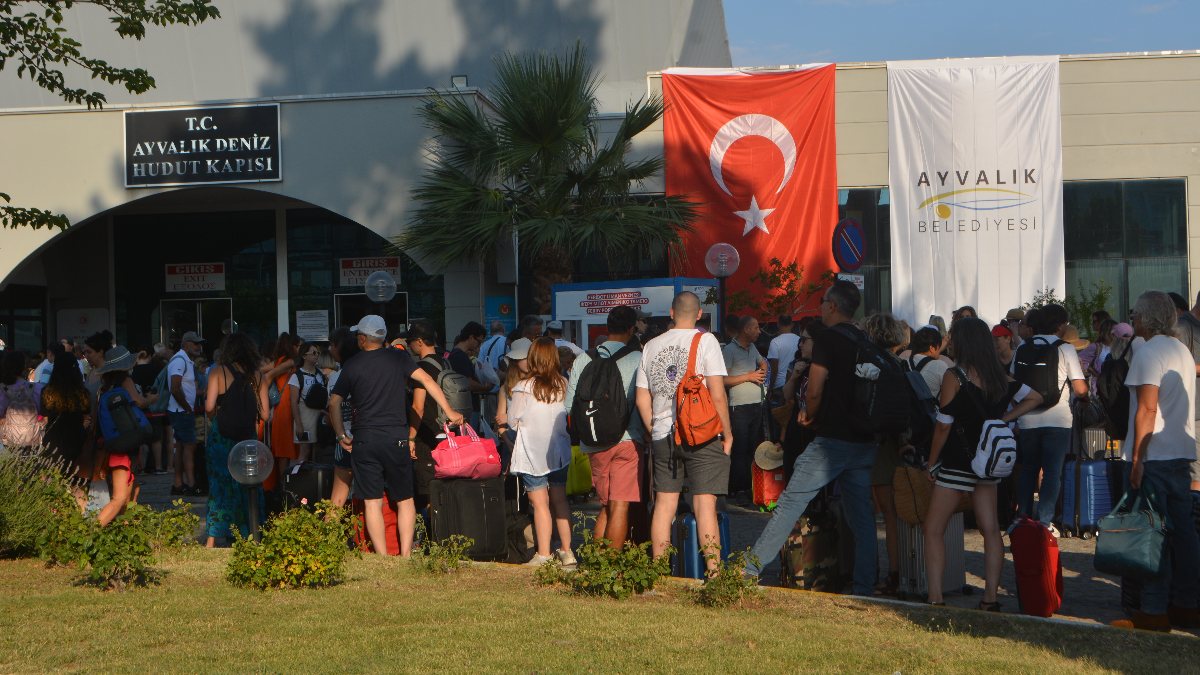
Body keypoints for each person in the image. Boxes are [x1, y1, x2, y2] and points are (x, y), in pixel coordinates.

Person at [743, 281, 879, 595]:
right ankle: (864, 585)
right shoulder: (862, 337)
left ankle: (748, 572)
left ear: (832, 305)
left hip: (832, 440)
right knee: (861, 517)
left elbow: (815, 388)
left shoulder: (828, 338)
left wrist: (810, 414)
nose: (820, 307)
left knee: (789, 503)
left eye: (823, 302)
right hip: (863, 440)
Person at [924, 318, 1043, 609]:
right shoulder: (1000, 377)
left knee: (933, 528)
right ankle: (990, 597)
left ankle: (936, 597)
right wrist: (1003, 419)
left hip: (957, 462)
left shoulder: (955, 376)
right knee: (990, 529)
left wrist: (931, 462)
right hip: (989, 462)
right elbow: (1036, 397)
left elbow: (943, 426)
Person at [327, 315, 464, 557]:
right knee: (405, 499)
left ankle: (381, 556)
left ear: (362, 338)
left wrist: (340, 434)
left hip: (365, 439)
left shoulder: (353, 366)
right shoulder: (399, 358)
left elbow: (334, 402)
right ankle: (406, 555)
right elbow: (428, 381)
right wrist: (450, 410)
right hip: (396, 437)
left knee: (372, 501)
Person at [1111, 291, 1200, 631]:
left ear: (1146, 318)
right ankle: (1186, 604)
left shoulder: (1149, 352)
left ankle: (1152, 609)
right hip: (1180, 452)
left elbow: (1147, 409)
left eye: (1135, 314)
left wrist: (1136, 459)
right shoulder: (1180, 349)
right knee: (1184, 535)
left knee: (1152, 535)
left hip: (1155, 455)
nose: (1132, 320)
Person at [636, 291, 732, 574]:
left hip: (663, 434)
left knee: (665, 504)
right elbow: (717, 393)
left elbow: (642, 398)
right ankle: (714, 573)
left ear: (671, 312)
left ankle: (659, 572)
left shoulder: (650, 346)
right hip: (700, 434)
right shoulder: (706, 340)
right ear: (699, 314)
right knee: (705, 504)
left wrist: (654, 427)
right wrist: (727, 433)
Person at [565, 305, 646, 549]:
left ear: (607, 327)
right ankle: (611, 568)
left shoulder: (583, 359)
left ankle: (597, 563)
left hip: (593, 441)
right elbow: (643, 402)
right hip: (629, 439)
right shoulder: (638, 359)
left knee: (605, 504)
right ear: (631, 329)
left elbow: (570, 407)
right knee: (620, 504)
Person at [1014, 304, 1088, 533]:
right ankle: (1044, 521)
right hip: (1058, 420)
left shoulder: (1022, 348)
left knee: (1028, 469)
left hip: (1027, 419)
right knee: (1052, 472)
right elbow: (1080, 388)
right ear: (1060, 325)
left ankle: (1022, 517)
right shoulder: (1065, 349)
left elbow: (1014, 382)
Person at [508, 337, 575, 567]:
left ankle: (544, 554)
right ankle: (567, 551)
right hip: (559, 453)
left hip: (533, 454)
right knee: (560, 501)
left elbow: (512, 421)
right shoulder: (564, 384)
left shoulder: (523, 388)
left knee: (540, 504)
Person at [203, 333, 270, 547]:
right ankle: (249, 530)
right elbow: (266, 415)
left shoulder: (217, 372)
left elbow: (209, 407)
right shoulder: (258, 376)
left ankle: (213, 538)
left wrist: (217, 418)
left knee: (219, 484)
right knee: (247, 482)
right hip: (246, 438)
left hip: (221, 437)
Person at [864, 312, 910, 596]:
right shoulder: (901, 366)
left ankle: (890, 572)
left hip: (878, 445)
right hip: (897, 443)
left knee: (881, 514)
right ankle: (896, 570)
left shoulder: (873, 367)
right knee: (893, 515)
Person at [93, 346, 148, 526]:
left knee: (129, 495)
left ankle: (124, 536)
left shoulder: (104, 388)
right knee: (119, 498)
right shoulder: (125, 381)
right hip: (126, 448)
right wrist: (153, 399)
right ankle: (86, 535)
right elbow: (139, 402)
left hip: (114, 445)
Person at [40, 344, 91, 509]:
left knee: (54, 484)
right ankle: (80, 523)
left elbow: (44, 415)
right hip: (77, 438)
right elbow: (87, 413)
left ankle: (55, 521)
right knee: (78, 484)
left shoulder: (47, 392)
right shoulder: (83, 393)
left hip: (53, 440)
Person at [722, 315, 766, 499]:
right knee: (740, 449)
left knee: (754, 447)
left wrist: (762, 369)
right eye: (755, 327)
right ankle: (738, 489)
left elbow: (762, 361)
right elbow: (722, 380)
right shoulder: (729, 350)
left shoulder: (752, 347)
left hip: (757, 404)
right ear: (746, 330)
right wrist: (748, 377)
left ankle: (753, 487)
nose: (759, 331)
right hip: (739, 407)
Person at [405, 321, 447, 513]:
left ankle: (430, 537)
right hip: (446, 433)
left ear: (420, 342)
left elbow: (418, 406)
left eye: (410, 341)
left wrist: (411, 437)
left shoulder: (422, 368)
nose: (409, 345)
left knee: (427, 492)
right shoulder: (445, 361)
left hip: (426, 436)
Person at [168, 331, 206, 497]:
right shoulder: (180, 360)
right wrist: (187, 407)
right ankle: (191, 483)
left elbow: (183, 387)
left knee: (183, 447)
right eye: (195, 343)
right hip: (182, 411)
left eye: (199, 343)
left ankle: (179, 483)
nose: (198, 346)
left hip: (181, 410)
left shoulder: (184, 360)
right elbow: (175, 387)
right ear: (186, 344)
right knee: (189, 446)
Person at [326, 327, 359, 509]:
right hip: (366, 438)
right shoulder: (365, 371)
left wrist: (339, 435)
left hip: (344, 440)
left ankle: (330, 536)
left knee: (338, 497)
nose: (330, 349)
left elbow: (332, 406)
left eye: (332, 345)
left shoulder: (336, 376)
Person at [288, 341, 324, 466]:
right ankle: (299, 480)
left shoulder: (321, 375)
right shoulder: (297, 376)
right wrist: (298, 424)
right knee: (304, 451)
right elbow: (293, 402)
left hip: (318, 419)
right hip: (304, 419)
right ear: (304, 356)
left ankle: (314, 480)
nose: (317, 355)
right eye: (313, 353)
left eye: (318, 353)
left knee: (317, 451)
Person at [766, 314, 800, 411]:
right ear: (792, 324)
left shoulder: (775, 342)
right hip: (795, 382)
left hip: (780, 385)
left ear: (778, 324)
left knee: (779, 417)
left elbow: (774, 369)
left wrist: (770, 387)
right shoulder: (799, 340)